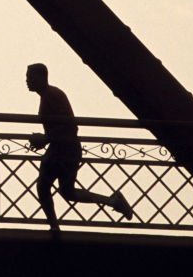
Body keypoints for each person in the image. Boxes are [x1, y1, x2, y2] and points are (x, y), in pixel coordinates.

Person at [25, 63, 133, 236]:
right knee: (64, 191)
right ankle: (112, 202)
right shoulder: (48, 95)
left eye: (30, 77)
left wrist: (44, 139)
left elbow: (69, 126)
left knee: (46, 187)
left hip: (65, 150)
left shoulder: (52, 95)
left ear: (41, 77)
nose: (27, 81)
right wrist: (45, 139)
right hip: (62, 148)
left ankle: (54, 227)